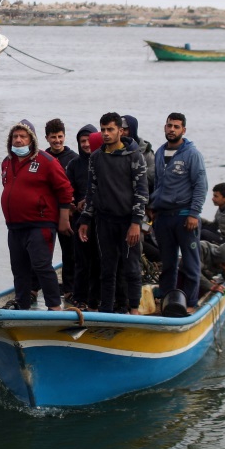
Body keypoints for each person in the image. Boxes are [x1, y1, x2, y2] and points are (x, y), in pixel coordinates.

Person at [78, 112, 148, 314]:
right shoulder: (96, 157)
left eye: (110, 129)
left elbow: (142, 192)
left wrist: (136, 222)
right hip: (104, 221)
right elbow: (92, 191)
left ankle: (133, 309)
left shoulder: (135, 156)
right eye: (103, 130)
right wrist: (85, 219)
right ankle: (106, 310)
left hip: (128, 221)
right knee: (106, 269)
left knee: (132, 268)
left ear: (120, 130)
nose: (106, 134)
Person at [0, 119, 74, 310]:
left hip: (40, 224)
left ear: (31, 139)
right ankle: (22, 305)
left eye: (22, 136)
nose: (18, 140)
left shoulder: (47, 161)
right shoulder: (7, 163)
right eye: (15, 136)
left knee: (42, 267)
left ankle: (54, 307)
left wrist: (63, 218)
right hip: (15, 227)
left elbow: (65, 188)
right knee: (19, 269)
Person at [150, 112, 207, 313]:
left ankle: (191, 303)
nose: (172, 129)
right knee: (168, 263)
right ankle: (168, 298)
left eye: (176, 126)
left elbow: (200, 185)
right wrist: (154, 208)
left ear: (183, 130)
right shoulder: (159, 153)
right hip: (164, 217)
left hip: (184, 216)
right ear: (164, 127)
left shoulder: (192, 154)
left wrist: (194, 213)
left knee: (191, 263)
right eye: (169, 126)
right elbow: (157, 184)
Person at [65, 124, 99, 308]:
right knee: (81, 261)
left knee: (99, 260)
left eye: (89, 140)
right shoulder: (74, 165)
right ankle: (80, 297)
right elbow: (67, 190)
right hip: (80, 219)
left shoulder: (103, 161)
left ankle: (96, 297)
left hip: (101, 219)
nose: (86, 145)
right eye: (82, 141)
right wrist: (72, 202)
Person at [44, 118, 78, 298]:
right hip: (47, 214)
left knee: (70, 253)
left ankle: (69, 288)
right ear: (46, 138)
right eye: (53, 137)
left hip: (68, 215)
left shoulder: (73, 158)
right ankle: (40, 286)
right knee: (43, 254)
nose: (57, 141)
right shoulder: (42, 158)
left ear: (65, 136)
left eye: (60, 136)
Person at [122, 114, 156, 192]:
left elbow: (151, 178)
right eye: (119, 129)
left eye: (125, 129)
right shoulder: (114, 151)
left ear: (132, 130)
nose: (122, 132)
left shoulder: (147, 153)